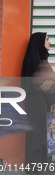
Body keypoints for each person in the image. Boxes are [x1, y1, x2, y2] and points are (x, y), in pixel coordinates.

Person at [21, 32, 55, 167]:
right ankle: (35, 165)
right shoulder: (33, 61)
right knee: (37, 134)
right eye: (47, 39)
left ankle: (43, 164)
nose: (50, 42)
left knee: (45, 133)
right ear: (39, 42)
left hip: (45, 104)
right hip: (37, 104)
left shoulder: (42, 59)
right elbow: (37, 85)